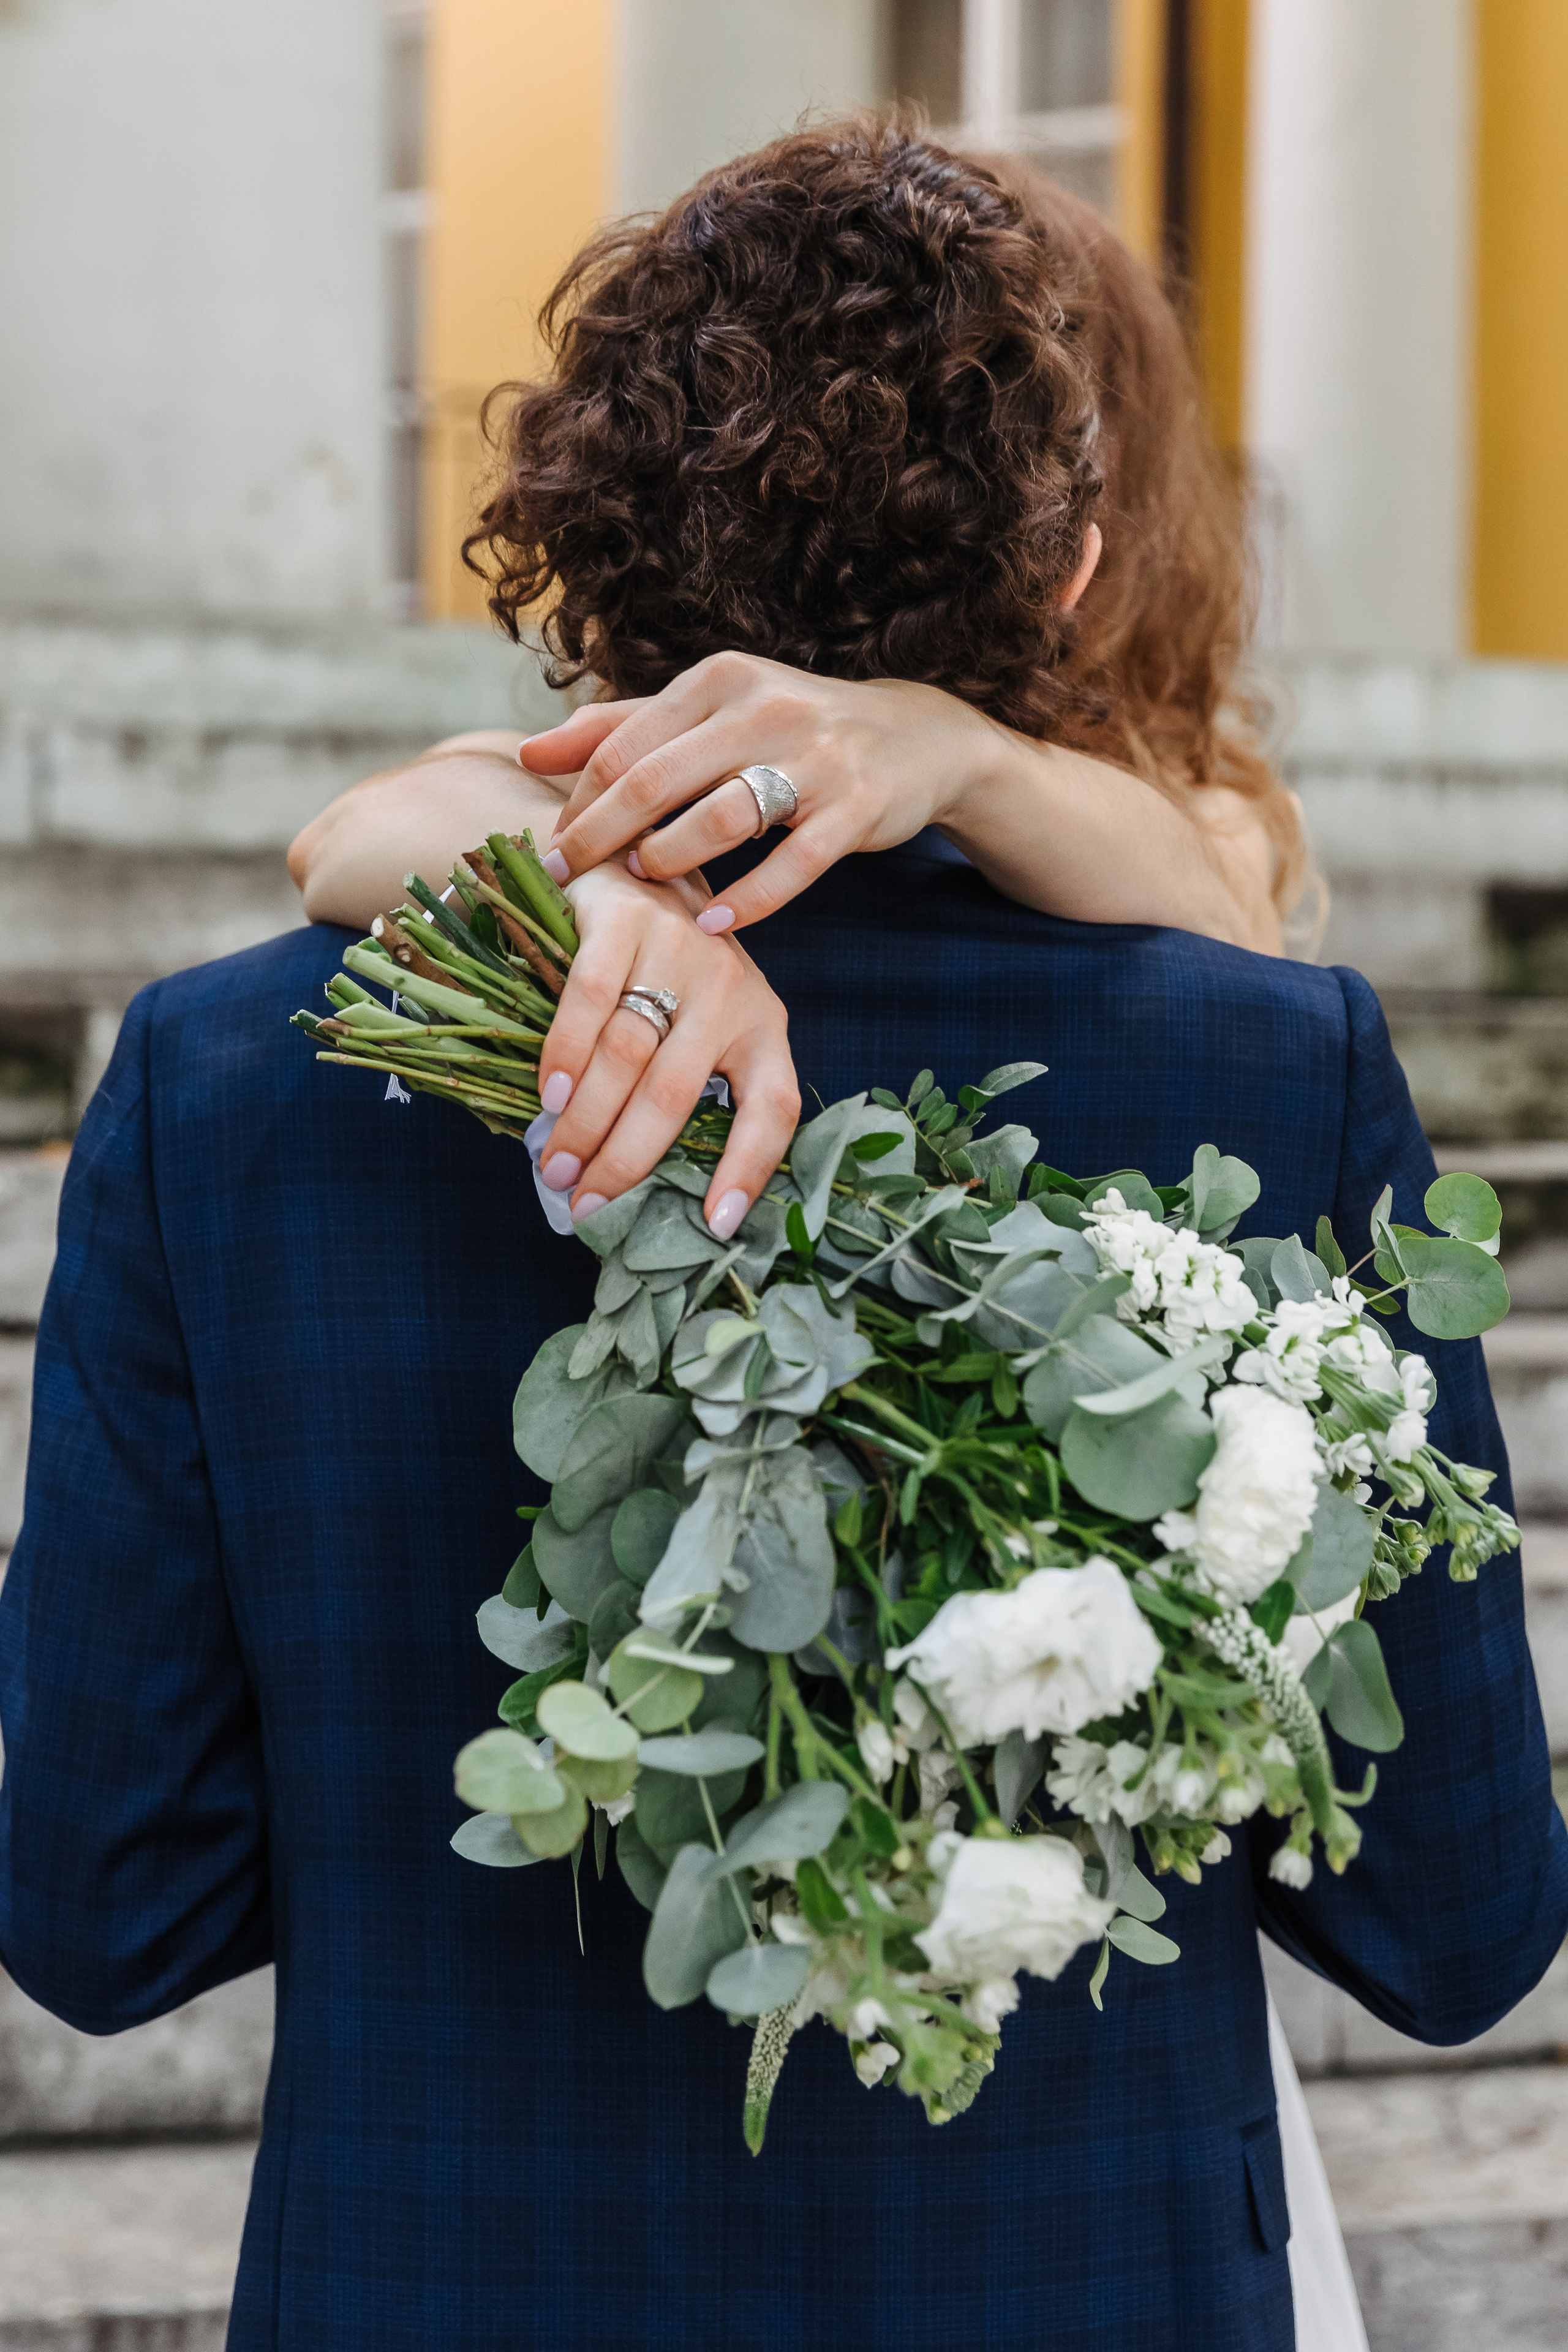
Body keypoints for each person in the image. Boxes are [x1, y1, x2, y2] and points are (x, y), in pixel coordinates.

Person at [2, 120, 1561, 2352]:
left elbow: (100, 1906)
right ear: (1076, 575)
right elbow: (1460, 1924)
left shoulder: (229, 1085)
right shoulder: (1269, 1078)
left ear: (571, 562)